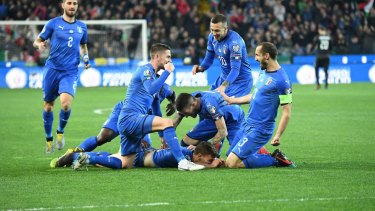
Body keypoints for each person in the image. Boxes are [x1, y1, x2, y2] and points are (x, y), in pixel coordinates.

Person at [74, 43, 204, 171]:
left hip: (132, 120)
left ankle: (84, 157)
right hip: (130, 117)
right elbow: (151, 89)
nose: (170, 60)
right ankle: (182, 162)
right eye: (168, 57)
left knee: (127, 163)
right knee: (168, 122)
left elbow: (156, 109)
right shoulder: (145, 70)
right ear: (157, 56)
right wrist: (168, 72)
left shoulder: (155, 78)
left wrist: (162, 134)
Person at [221, 42, 295, 169]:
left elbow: (286, 113)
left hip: (260, 129)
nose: (255, 58)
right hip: (247, 124)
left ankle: (275, 159)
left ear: (266, 56)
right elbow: (255, 96)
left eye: (257, 55)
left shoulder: (282, 81)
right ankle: (259, 151)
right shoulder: (264, 71)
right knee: (229, 156)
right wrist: (232, 100)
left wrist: (277, 135)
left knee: (231, 163)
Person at [33, 0, 90, 153]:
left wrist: (86, 59)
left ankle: (60, 131)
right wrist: (39, 45)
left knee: (65, 104)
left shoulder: (82, 27)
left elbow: (83, 46)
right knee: (48, 106)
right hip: (52, 70)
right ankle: (48, 138)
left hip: (70, 71)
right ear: (63, 5)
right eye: (69, 3)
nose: (72, 6)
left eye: (75, 3)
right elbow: (37, 40)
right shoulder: (53, 23)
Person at [70, 83, 176, 153]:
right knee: (103, 137)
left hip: (141, 118)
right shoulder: (142, 84)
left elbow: (172, 95)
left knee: (144, 149)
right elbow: (157, 113)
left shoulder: (164, 88)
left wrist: (173, 104)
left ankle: (95, 158)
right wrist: (162, 137)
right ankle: (75, 152)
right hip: (124, 111)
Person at [191, 14, 253, 98]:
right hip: (223, 79)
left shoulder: (235, 43)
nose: (213, 33)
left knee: (223, 106)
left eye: (217, 31)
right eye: (211, 30)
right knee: (203, 101)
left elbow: (235, 70)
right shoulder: (212, 37)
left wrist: (223, 86)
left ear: (225, 29)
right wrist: (200, 68)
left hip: (241, 82)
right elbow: (209, 59)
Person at [50, 142, 224, 169]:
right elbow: (190, 166)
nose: (211, 160)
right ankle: (82, 158)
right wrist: (210, 165)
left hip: (145, 151)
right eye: (209, 158)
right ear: (199, 155)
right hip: (140, 157)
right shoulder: (184, 158)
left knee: (112, 157)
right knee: (120, 164)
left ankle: (81, 153)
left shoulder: (186, 152)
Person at [173, 91, 245, 155]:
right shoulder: (190, 99)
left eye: (186, 113)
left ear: (193, 104)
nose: (186, 116)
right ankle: (208, 155)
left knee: (237, 155)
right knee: (187, 141)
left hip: (233, 118)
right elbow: (178, 117)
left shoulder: (210, 105)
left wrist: (200, 148)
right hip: (221, 117)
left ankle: (205, 155)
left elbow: (223, 132)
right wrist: (167, 139)